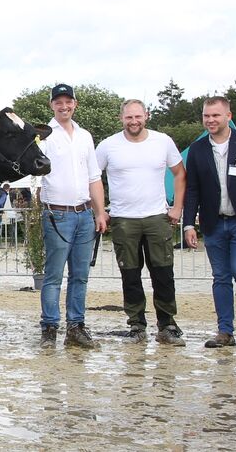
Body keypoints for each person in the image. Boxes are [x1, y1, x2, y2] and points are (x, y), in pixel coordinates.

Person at [96, 99, 186, 346]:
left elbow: (180, 173)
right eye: (128, 118)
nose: (133, 122)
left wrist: (177, 206)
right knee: (130, 275)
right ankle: (136, 324)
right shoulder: (108, 146)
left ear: (146, 115)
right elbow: (93, 177)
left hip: (157, 217)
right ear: (121, 118)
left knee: (163, 273)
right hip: (124, 219)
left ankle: (167, 324)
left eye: (138, 116)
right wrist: (100, 211)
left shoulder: (163, 141)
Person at [182, 97, 236, 349]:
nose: (210, 120)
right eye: (206, 116)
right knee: (220, 277)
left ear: (228, 116)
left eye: (215, 116)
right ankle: (225, 331)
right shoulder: (197, 149)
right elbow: (193, 190)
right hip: (213, 223)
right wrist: (189, 224)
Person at [37, 83, 107, 350]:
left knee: (80, 275)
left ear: (75, 104)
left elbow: (94, 177)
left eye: (68, 102)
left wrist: (100, 212)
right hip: (57, 213)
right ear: (51, 105)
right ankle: (49, 328)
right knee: (53, 275)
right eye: (58, 102)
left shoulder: (85, 136)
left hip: (84, 213)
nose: (64, 106)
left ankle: (76, 326)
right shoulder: (43, 136)